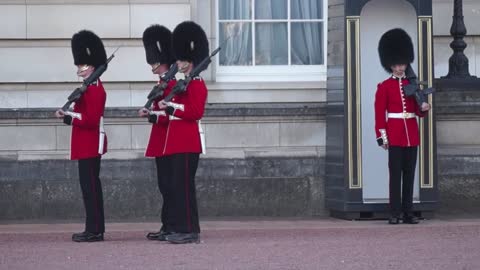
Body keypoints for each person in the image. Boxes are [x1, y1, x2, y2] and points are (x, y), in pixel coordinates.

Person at [157, 21, 209, 244]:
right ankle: (181, 227)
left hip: (188, 142)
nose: (178, 63)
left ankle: (190, 230)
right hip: (177, 142)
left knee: (185, 187)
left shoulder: (197, 84)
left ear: (191, 60)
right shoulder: (184, 83)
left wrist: (172, 107)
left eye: (182, 59)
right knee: (178, 187)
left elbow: (195, 112)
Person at [55, 30, 108, 241]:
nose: (79, 68)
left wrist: (68, 117)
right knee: (88, 187)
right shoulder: (87, 88)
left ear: (92, 66)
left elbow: (90, 120)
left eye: (82, 65)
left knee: (91, 187)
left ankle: (95, 230)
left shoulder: (96, 90)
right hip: (83, 143)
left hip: (90, 143)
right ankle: (92, 227)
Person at [375, 28, 431, 225]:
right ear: (390, 65)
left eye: (403, 64)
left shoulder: (412, 85)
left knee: (409, 175)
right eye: (397, 64)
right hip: (395, 134)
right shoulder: (384, 87)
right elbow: (379, 115)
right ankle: (394, 212)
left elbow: (418, 111)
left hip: (411, 135)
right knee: (395, 175)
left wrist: (424, 107)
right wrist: (382, 137)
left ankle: (408, 212)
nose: (400, 68)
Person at [138, 24, 177, 241]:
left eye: (155, 61)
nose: (153, 65)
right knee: (164, 186)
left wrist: (151, 115)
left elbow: (171, 114)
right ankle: (167, 225)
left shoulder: (172, 84)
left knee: (169, 185)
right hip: (161, 141)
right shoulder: (162, 83)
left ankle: (171, 226)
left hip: (169, 140)